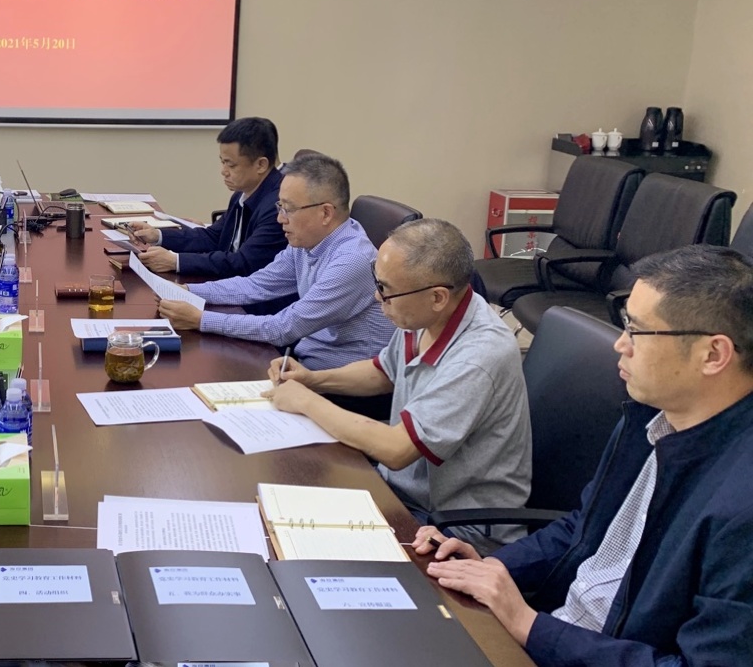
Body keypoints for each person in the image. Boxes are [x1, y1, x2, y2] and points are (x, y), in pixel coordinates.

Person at [415, 245, 753, 666]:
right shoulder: (649, 417)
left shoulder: (740, 509)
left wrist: (528, 625)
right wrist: (489, 566)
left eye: (638, 331)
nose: (621, 344)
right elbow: (583, 529)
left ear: (713, 354)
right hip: (558, 632)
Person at [271, 218, 531, 553]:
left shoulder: (479, 356)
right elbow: (383, 372)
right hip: (404, 494)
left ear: (437, 297)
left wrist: (307, 402)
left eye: (385, 289)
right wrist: (311, 380)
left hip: (455, 529)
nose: (377, 297)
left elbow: (397, 450)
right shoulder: (425, 315)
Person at [157, 153, 393, 370]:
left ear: (325, 213)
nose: (280, 219)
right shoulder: (307, 241)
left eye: (288, 209)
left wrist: (200, 319)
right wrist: (188, 291)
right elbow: (255, 286)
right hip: (303, 360)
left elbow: (283, 328)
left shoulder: (352, 261)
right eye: (280, 206)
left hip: (340, 380)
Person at [126, 117, 287, 281]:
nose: (223, 171)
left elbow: (244, 263)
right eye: (222, 162)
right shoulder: (242, 193)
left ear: (261, 165)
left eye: (231, 165)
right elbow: (213, 237)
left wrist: (176, 261)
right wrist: (158, 236)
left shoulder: (278, 205)